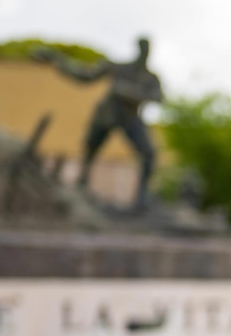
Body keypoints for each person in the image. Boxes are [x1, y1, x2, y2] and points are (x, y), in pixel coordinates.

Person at [36, 38, 163, 210]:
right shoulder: (119, 68)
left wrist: (127, 92)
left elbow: (158, 97)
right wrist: (57, 60)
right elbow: (85, 75)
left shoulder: (150, 77)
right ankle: (81, 185)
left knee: (148, 153)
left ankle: (141, 198)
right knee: (91, 148)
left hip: (130, 118)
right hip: (107, 115)